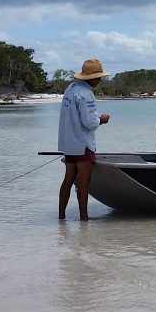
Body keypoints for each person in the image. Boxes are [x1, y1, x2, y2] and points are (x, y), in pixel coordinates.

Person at [57, 58, 111, 221]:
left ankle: (61, 217)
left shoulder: (71, 88)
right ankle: (84, 218)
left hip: (68, 142)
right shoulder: (87, 94)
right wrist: (102, 119)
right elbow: (89, 123)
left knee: (68, 179)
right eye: (98, 77)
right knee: (83, 183)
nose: (100, 79)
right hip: (83, 144)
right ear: (90, 77)